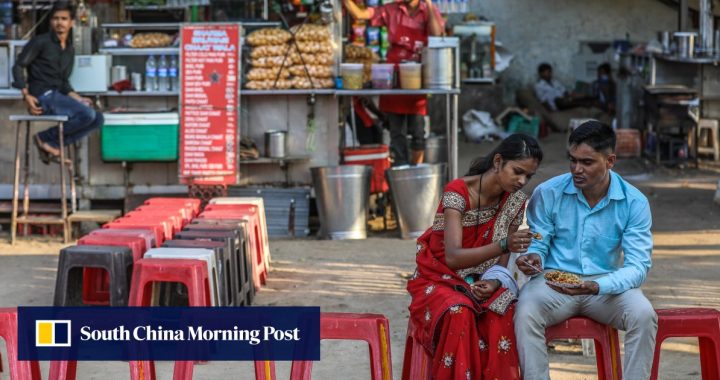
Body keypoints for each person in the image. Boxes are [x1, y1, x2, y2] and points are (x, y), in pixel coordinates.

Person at [515, 121, 657, 379]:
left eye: (587, 162)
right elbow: (539, 241)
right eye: (573, 160)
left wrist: (596, 286)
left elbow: (638, 267)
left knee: (643, 314)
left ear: (610, 161)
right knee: (525, 310)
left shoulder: (634, 202)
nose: (577, 169)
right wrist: (533, 256)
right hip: (553, 284)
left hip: (605, 288)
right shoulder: (548, 193)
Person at [407, 134, 543, 379]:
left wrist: (494, 282)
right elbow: (453, 257)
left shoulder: (515, 202)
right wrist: (503, 244)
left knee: (505, 310)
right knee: (459, 312)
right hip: (439, 277)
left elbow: (502, 264)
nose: (522, 181)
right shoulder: (457, 192)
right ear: (499, 161)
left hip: (482, 279)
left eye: (529, 176)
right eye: (518, 171)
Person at [342, 0, 444, 166]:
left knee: (418, 132)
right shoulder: (391, 10)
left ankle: (416, 172)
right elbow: (361, 14)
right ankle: (400, 174)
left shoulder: (428, 11)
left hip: (417, 78)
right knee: (396, 133)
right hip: (393, 78)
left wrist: (430, 6)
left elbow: (438, 35)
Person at [12, 2, 103, 164]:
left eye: (64, 19)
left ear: (72, 22)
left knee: (97, 118)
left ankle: (51, 144)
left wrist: (78, 98)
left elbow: (63, 83)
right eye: (55, 19)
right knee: (86, 114)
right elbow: (18, 66)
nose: (59, 23)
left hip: (57, 95)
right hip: (42, 96)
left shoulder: (69, 49)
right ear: (50, 22)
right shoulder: (40, 42)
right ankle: (45, 139)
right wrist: (26, 95)